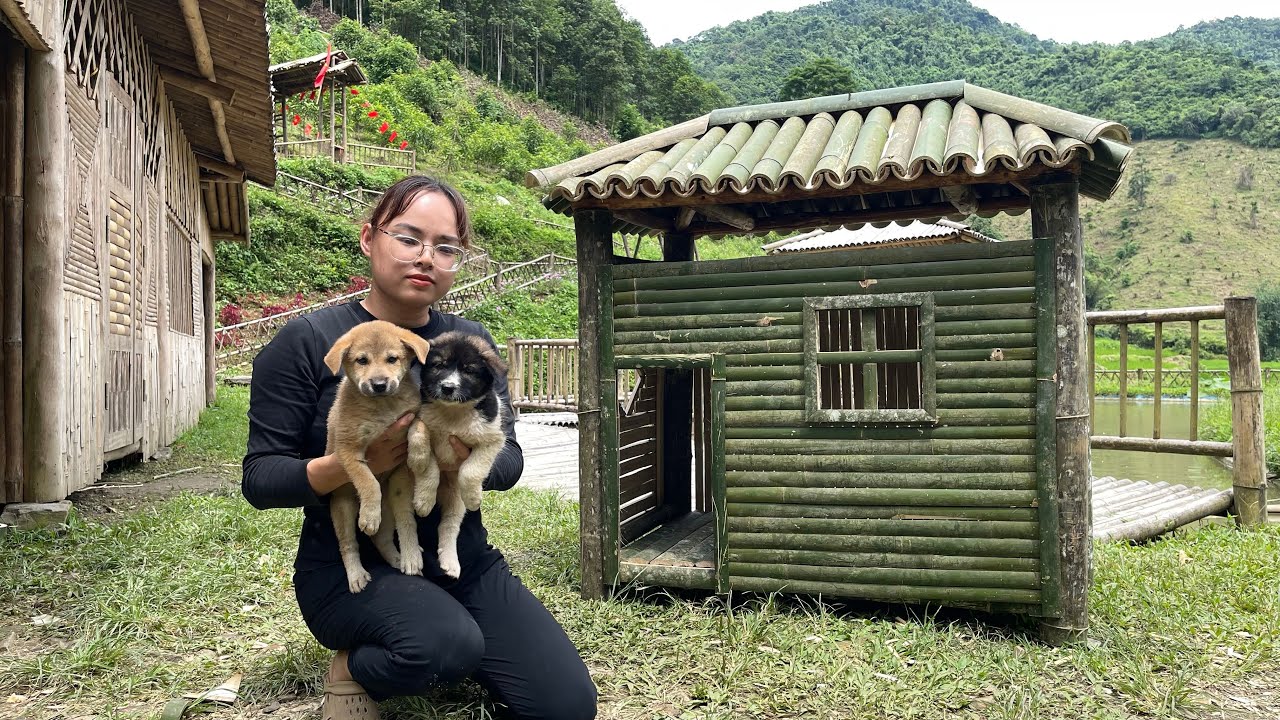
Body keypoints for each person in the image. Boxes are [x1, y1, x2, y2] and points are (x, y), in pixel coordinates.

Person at [241, 175, 597, 720]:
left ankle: (456, 638)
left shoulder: (464, 343)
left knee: (565, 705)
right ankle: (357, 666)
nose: (425, 258)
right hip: (349, 569)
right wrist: (354, 464)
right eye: (408, 238)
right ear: (369, 239)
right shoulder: (311, 343)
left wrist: (455, 458)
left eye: (446, 247)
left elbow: (509, 457)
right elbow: (261, 479)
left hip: (461, 559)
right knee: (444, 646)